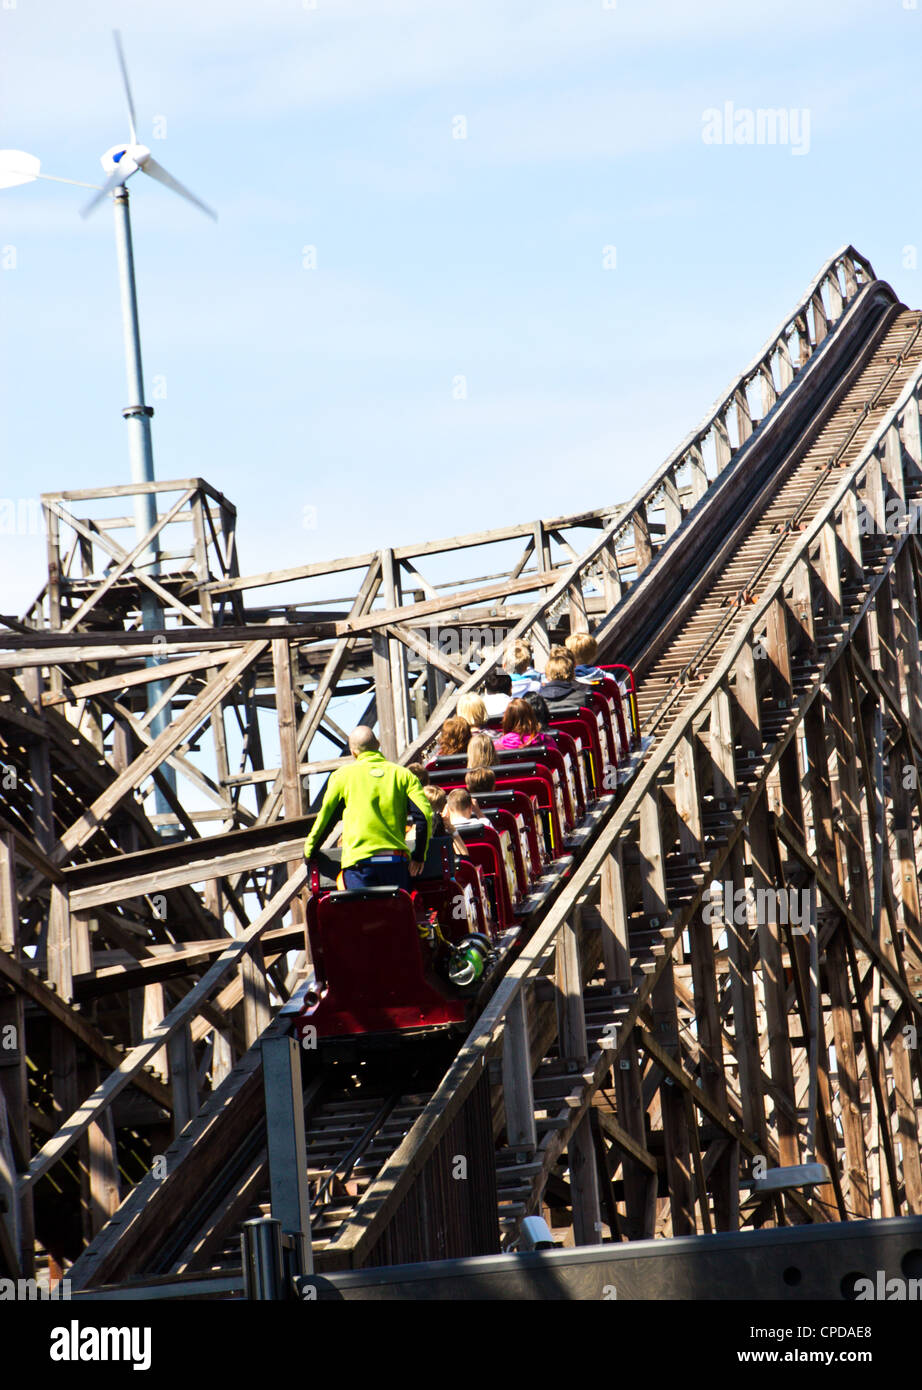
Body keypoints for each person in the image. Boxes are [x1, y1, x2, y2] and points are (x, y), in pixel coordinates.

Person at [303, 726, 432, 891]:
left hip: (359, 866)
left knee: (363, 915)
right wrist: (419, 856)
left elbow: (326, 819)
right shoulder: (404, 775)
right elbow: (425, 816)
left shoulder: (342, 776)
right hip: (395, 864)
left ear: (353, 752)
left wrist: (310, 850)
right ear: (378, 744)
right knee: (397, 915)